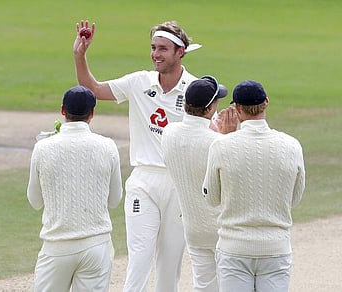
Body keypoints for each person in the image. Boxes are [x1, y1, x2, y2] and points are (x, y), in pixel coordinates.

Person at [73, 19, 202, 291]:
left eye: (163, 49)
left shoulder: (194, 88)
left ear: (180, 52)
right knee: (140, 257)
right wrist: (80, 55)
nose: (156, 54)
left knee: (169, 265)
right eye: (153, 47)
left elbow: (207, 133)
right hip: (143, 181)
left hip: (179, 185)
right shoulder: (139, 82)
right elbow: (93, 90)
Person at [202, 80, 306, 292]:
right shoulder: (292, 145)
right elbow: (294, 199)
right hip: (275, 248)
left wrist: (226, 139)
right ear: (266, 102)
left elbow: (212, 198)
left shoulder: (221, 145)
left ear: (237, 108)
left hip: (234, 248)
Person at [27, 85, 123, 292]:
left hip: (57, 246)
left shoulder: (43, 147)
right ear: (92, 114)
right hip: (97, 245)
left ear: (63, 111)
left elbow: (34, 201)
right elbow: (114, 200)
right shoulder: (108, 146)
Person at [161, 75, 236, 291]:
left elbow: (193, 137)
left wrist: (220, 134)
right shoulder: (219, 142)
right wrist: (229, 136)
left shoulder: (169, 133)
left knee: (203, 285)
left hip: (193, 226)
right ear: (211, 107)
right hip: (222, 228)